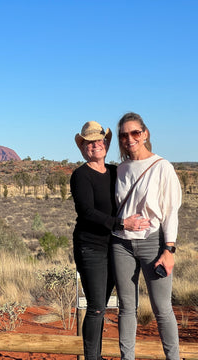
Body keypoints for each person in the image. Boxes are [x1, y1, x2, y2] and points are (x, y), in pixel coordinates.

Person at [71, 121, 150, 360]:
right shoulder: (81, 176)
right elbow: (87, 212)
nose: (96, 145)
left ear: (106, 143)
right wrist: (122, 224)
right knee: (96, 307)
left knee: (105, 305)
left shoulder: (117, 172)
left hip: (116, 246)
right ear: (83, 148)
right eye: (89, 142)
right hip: (91, 247)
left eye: (99, 140)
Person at [111, 112, 181, 360]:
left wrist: (169, 250)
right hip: (121, 243)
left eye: (134, 133)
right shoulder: (120, 169)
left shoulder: (162, 167)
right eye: (123, 135)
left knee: (162, 309)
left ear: (145, 133)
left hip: (153, 242)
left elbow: (171, 211)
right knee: (126, 308)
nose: (129, 139)